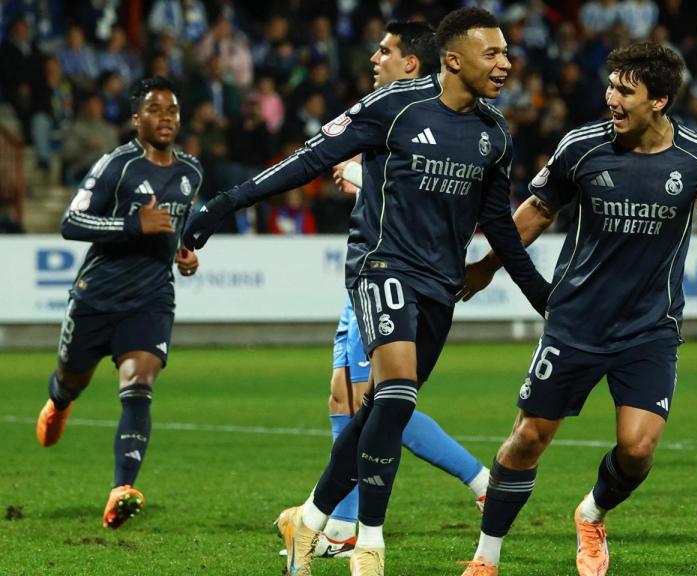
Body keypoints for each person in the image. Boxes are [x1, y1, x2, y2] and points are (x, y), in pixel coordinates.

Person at [182, 8, 550, 576]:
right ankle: (369, 545)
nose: (506, 63)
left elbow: (499, 226)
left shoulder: (495, 134)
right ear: (454, 60)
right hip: (382, 267)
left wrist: (544, 298)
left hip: (440, 286)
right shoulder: (393, 106)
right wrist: (222, 205)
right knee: (395, 391)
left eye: (506, 53)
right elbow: (311, 159)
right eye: (493, 53)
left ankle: (309, 519)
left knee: (379, 408)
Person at [457, 42, 697, 576]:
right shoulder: (582, 147)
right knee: (528, 438)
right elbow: (537, 210)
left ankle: (591, 514)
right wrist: (487, 265)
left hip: (650, 328)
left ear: (659, 101)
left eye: (625, 91)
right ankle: (485, 558)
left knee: (637, 449)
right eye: (611, 85)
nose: (611, 98)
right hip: (576, 322)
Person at [275, 21, 489, 561]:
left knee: (379, 399)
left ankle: (360, 522)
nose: (374, 59)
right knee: (348, 396)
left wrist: (357, 176)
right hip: (370, 273)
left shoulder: (422, 116)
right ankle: (343, 522)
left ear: (412, 63)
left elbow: (426, 198)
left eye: (386, 51)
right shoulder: (386, 115)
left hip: (389, 274)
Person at [35, 76, 202, 529]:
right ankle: (59, 402)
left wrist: (184, 252)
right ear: (135, 119)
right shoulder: (117, 165)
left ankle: (121, 490)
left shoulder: (191, 171)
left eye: (172, 109)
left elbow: (175, 226)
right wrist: (132, 225)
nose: (165, 117)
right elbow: (71, 222)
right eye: (154, 109)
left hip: (151, 297)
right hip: (97, 296)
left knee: (139, 384)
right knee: (71, 381)